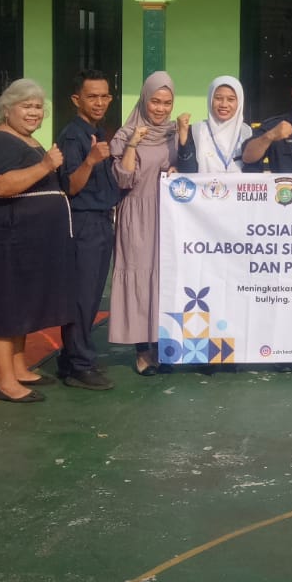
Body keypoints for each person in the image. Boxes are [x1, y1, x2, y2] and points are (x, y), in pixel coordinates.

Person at [0, 78, 72, 403]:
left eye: (38, 107)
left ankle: (19, 368)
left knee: (19, 303)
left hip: (26, 239)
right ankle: (5, 382)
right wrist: (45, 166)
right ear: (6, 110)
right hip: (5, 237)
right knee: (4, 307)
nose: (34, 113)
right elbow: (0, 185)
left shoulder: (27, 141)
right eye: (26, 106)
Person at [54, 70, 123, 391]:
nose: (99, 102)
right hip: (84, 223)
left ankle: (72, 359)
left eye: (104, 96)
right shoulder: (73, 136)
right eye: (91, 96)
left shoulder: (95, 130)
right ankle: (79, 364)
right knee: (82, 296)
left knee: (92, 294)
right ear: (76, 99)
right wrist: (91, 161)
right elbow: (70, 186)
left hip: (100, 220)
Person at [109, 71, 180, 374]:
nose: (161, 108)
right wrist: (132, 146)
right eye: (155, 101)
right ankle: (141, 351)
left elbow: (184, 165)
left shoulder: (175, 132)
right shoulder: (126, 134)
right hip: (137, 214)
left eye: (167, 103)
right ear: (144, 100)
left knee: (163, 278)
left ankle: (160, 346)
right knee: (139, 277)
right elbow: (123, 180)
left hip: (168, 216)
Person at [178, 76, 252, 174]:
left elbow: (254, 171)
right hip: (204, 189)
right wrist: (183, 136)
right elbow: (187, 172)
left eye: (231, 99)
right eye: (218, 98)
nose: (224, 104)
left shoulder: (247, 133)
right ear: (210, 99)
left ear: (239, 102)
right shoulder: (197, 130)